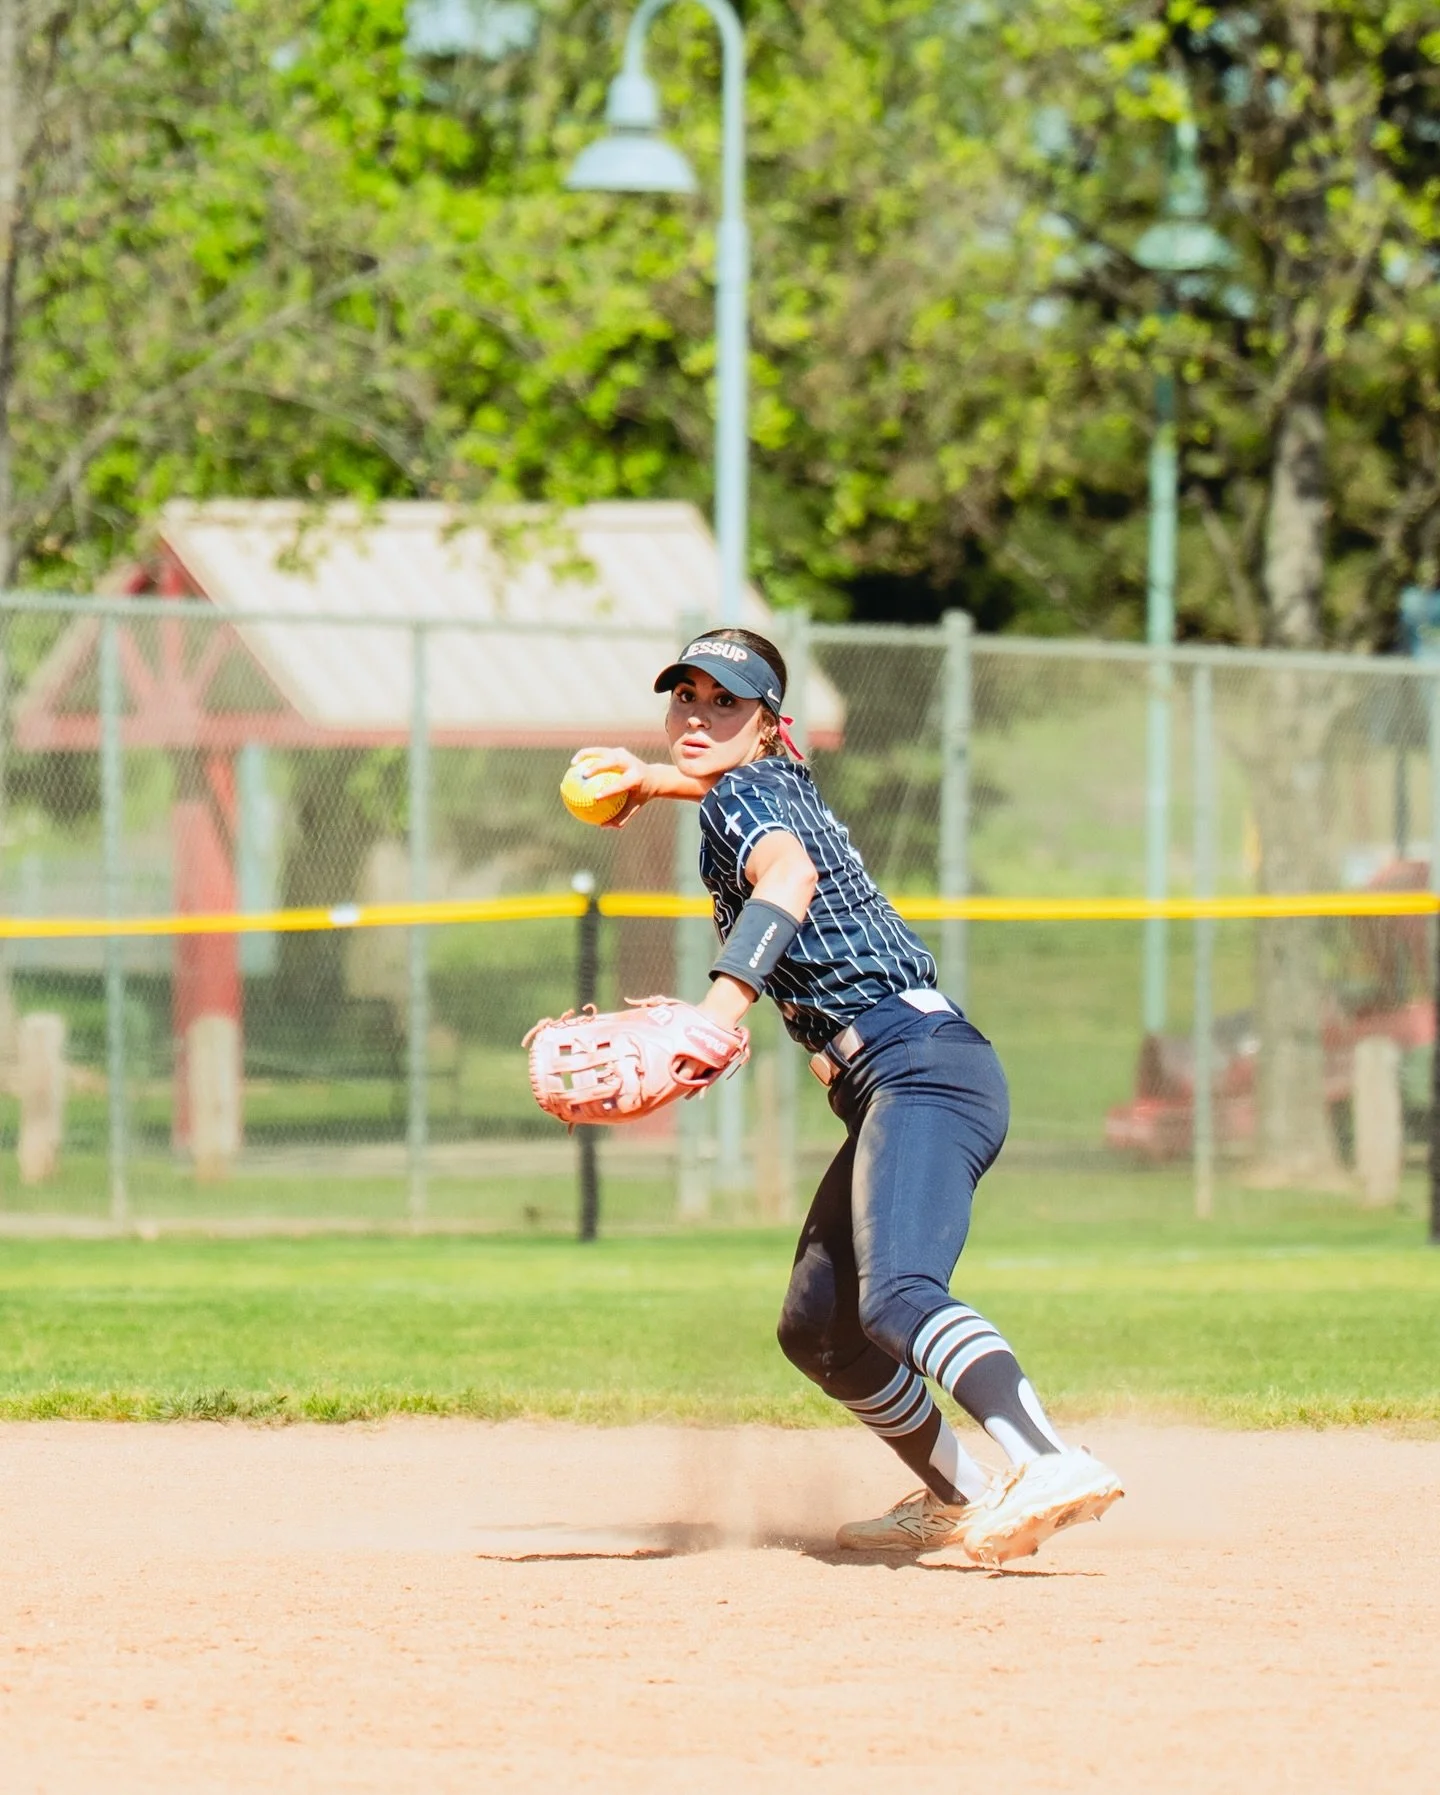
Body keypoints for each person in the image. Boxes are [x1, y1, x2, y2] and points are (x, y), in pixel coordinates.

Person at [581, 625, 1122, 1564]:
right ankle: (962, 1492)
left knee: (899, 1298)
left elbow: (786, 873)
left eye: (725, 703)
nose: (698, 717)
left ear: (768, 722)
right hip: (904, 1072)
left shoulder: (746, 798)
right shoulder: (768, 780)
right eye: (686, 698)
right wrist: (650, 778)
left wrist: (720, 1009)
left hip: (918, 1064)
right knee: (820, 1328)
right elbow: (739, 793)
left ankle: (1048, 1457)